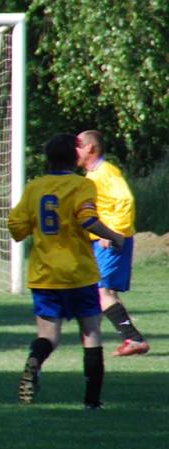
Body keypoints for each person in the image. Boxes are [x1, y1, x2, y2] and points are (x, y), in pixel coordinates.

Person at [9, 133, 124, 409]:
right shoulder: (81, 185)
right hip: (78, 273)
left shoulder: (35, 187)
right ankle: (92, 402)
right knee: (91, 334)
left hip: (45, 275)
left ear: (48, 159)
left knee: (48, 335)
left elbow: (16, 228)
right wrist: (115, 237)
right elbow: (88, 220)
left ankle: (34, 362)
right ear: (74, 159)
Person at [76, 130, 149, 356]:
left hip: (111, 240)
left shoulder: (107, 172)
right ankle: (130, 339)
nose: (73, 151)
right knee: (103, 292)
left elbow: (125, 200)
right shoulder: (93, 176)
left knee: (101, 292)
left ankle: (133, 338)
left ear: (90, 148)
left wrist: (113, 232)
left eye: (77, 146)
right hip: (102, 241)